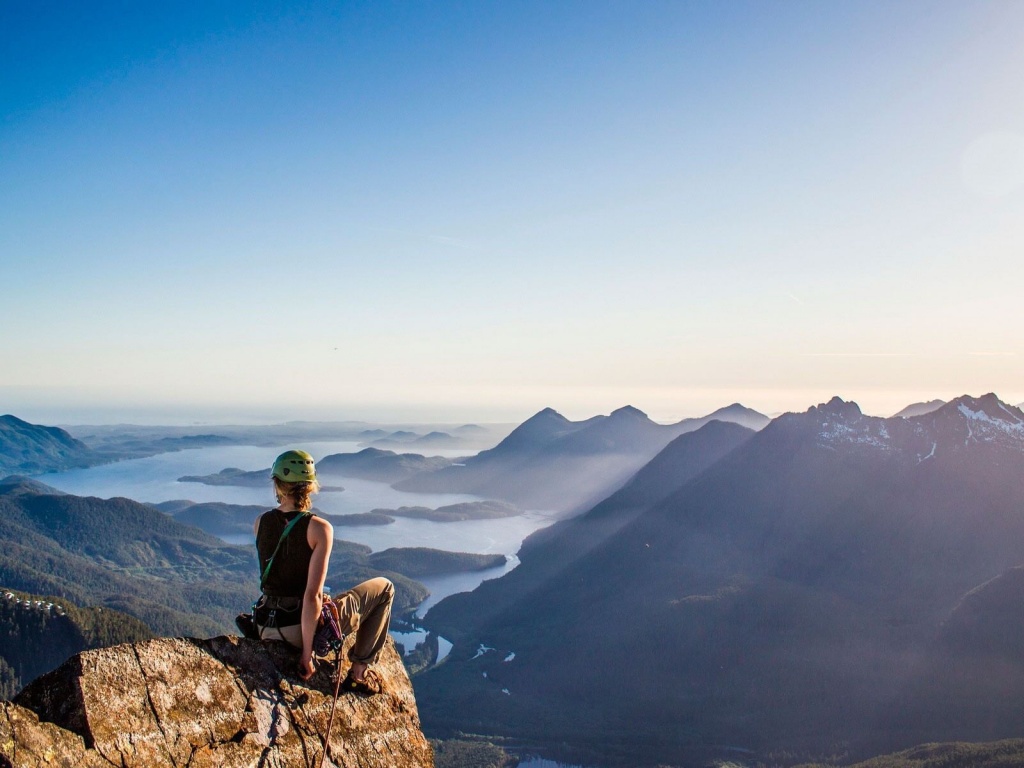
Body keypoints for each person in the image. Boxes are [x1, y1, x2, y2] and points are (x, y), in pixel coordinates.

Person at [253, 449, 395, 691]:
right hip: (296, 630)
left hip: (265, 625)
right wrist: (307, 654)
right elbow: (312, 596)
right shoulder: (319, 528)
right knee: (385, 588)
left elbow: (281, 576)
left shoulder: (260, 522)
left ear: (276, 484)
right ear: (310, 486)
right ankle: (360, 672)